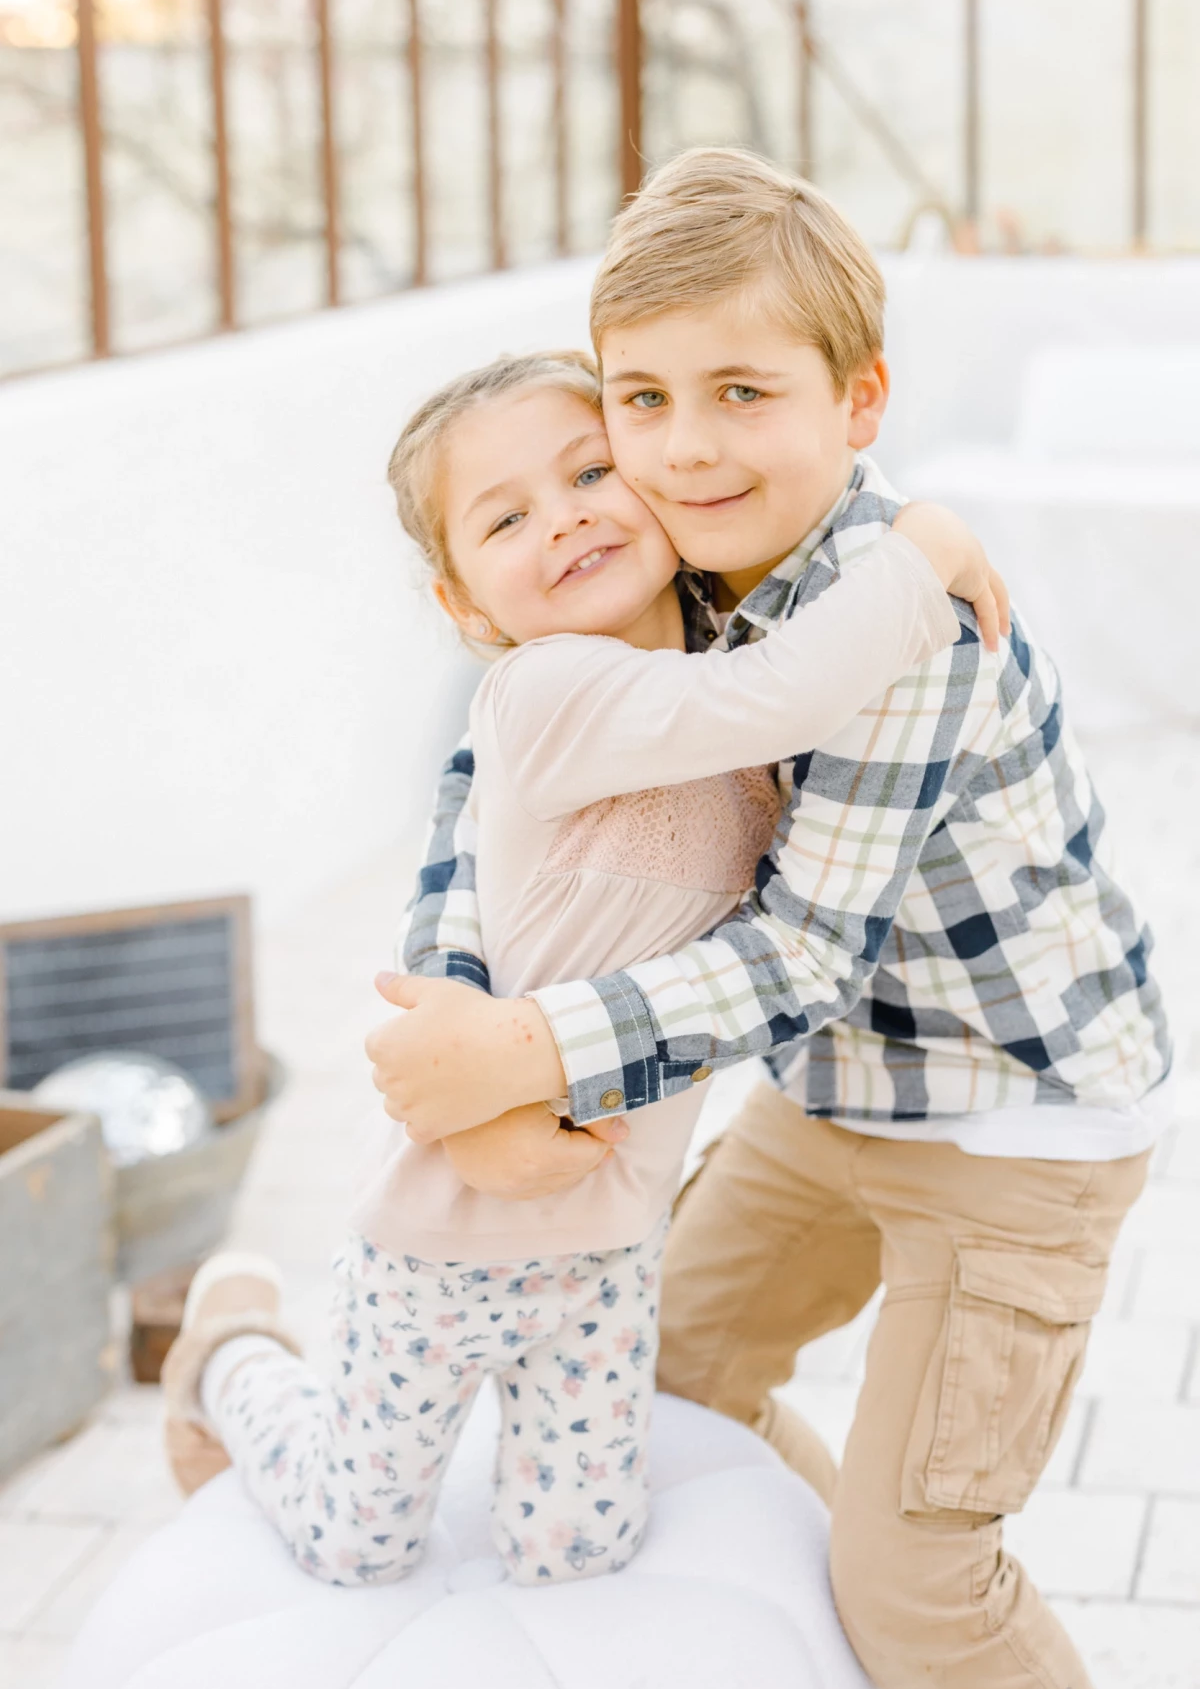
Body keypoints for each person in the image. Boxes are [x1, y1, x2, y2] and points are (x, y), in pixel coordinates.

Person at [367, 150, 1172, 1689]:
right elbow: (489, 777)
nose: (685, 449)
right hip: (831, 1089)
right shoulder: (661, 573)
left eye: (743, 390)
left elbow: (796, 953)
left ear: (859, 402)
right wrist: (458, 993)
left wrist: (530, 1054)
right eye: (642, 403)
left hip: (1014, 1118)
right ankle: (835, 1660)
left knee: (922, 1579)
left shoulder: (901, 626)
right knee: (662, 1379)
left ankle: (947, 1660)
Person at [161, 345, 995, 1588]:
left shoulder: (706, 671)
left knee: (577, 1549)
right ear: (466, 608)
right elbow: (786, 694)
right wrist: (926, 546)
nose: (565, 520)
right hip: (440, 1239)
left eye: (591, 471)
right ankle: (231, 1351)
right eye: (507, 518)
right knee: (357, 1542)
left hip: (608, 1244)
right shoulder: (547, 691)